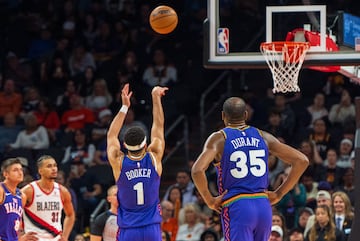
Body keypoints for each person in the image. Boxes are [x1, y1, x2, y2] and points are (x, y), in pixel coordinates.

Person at [191, 97, 309, 241]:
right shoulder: (263, 136)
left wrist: (209, 200)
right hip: (263, 205)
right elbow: (302, 160)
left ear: (223, 116)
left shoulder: (219, 138)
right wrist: (279, 194)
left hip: (237, 204)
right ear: (246, 115)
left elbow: (197, 170)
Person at [106, 83, 168, 241]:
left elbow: (111, 135)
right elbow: (159, 126)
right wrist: (155, 97)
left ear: (125, 145)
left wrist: (124, 107)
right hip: (151, 229)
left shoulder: (118, 162)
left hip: (129, 230)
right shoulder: (154, 157)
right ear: (146, 144)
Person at [21, 155, 76, 241]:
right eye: (49, 166)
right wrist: (20, 236)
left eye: (55, 165)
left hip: (55, 238)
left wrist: (65, 236)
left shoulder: (63, 191)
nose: (54, 169)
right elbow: (13, 215)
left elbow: (70, 215)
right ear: (40, 171)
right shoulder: (28, 191)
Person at [0, 158, 38, 241]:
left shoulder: (22, 196)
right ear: (6, 174)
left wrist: (20, 238)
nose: (20, 172)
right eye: (15, 170)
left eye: (21, 170)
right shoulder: (1, 190)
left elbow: (17, 222)